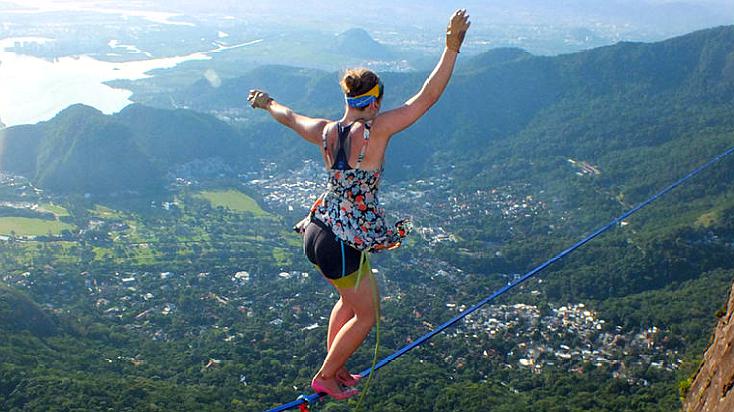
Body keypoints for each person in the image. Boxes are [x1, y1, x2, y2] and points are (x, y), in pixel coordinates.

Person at [247, 9, 471, 400]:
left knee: (348, 303)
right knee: (367, 315)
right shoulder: (377, 129)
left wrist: (267, 102)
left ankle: (338, 364)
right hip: (343, 241)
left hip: (317, 229)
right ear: (374, 102)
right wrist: (451, 48)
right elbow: (428, 96)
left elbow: (288, 117)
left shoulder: (324, 130)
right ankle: (326, 375)